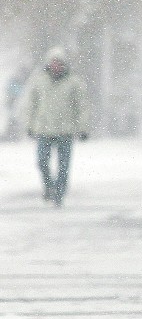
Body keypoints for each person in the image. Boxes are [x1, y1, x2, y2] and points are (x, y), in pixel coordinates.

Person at [24, 47, 90, 206]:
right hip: (44, 129)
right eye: (53, 62)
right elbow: (31, 104)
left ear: (64, 64)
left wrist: (83, 127)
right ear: (48, 63)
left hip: (65, 130)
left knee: (64, 165)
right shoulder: (39, 80)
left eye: (59, 63)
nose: (56, 66)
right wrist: (30, 124)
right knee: (41, 161)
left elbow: (82, 106)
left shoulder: (74, 82)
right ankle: (49, 186)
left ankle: (59, 192)